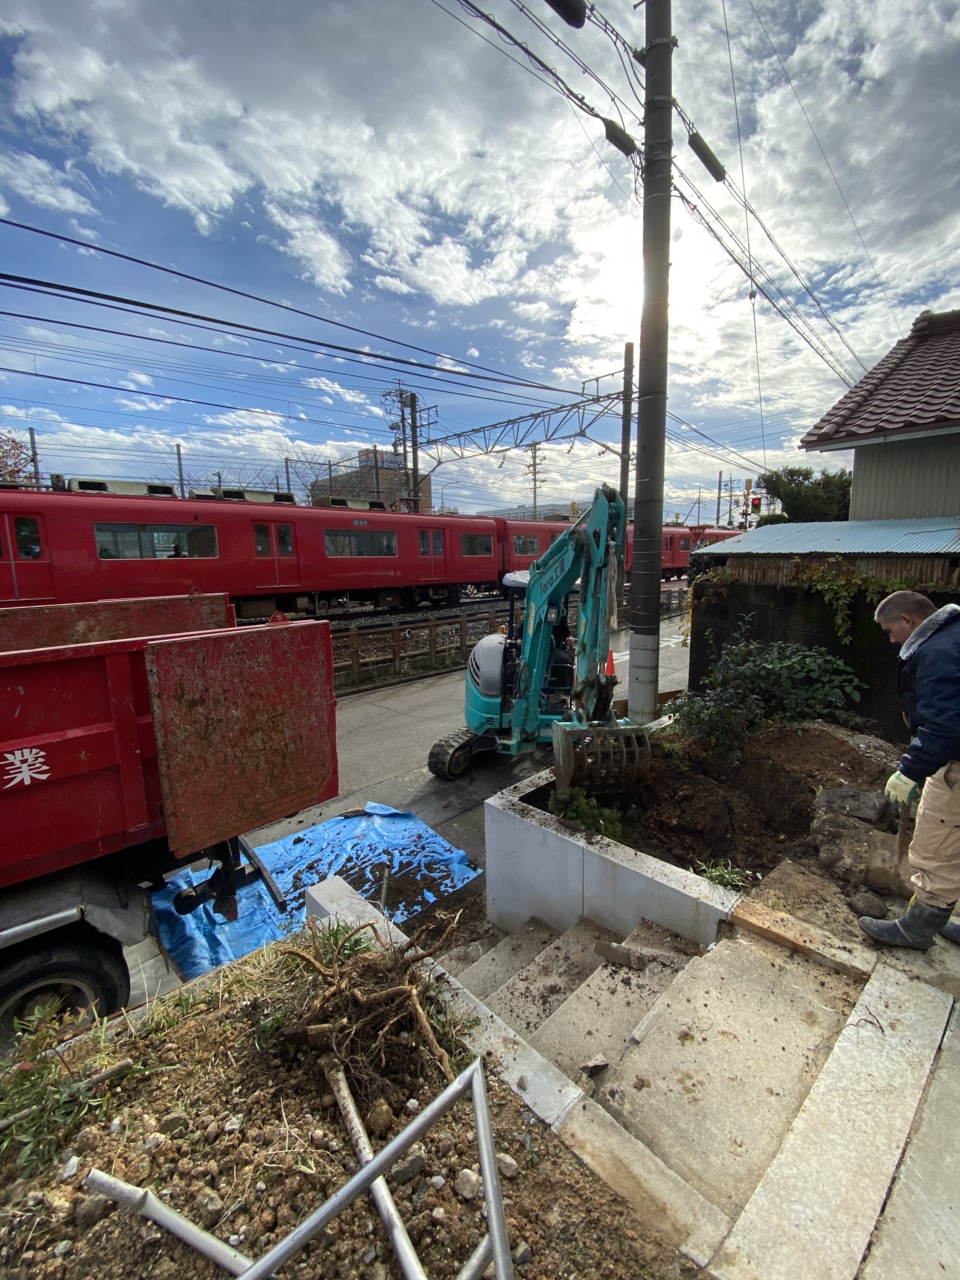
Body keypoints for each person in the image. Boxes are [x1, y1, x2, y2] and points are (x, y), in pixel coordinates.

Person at [859, 590, 960, 949]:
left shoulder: (938, 651)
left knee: (937, 846)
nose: (891, 640)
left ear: (908, 621)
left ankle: (916, 929)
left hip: (956, 766)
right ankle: (948, 915)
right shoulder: (955, 634)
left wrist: (911, 770)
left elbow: (946, 724)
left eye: (890, 631)